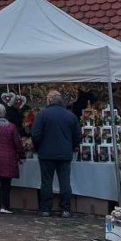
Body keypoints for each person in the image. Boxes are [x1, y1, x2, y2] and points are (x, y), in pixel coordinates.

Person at [32, 90, 82, 218]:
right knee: (65, 181)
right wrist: (70, 147)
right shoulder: (70, 116)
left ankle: (45, 209)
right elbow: (77, 136)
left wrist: (38, 148)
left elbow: (35, 135)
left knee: (46, 182)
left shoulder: (42, 115)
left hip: (46, 153)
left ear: (48, 101)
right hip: (64, 153)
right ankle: (65, 209)